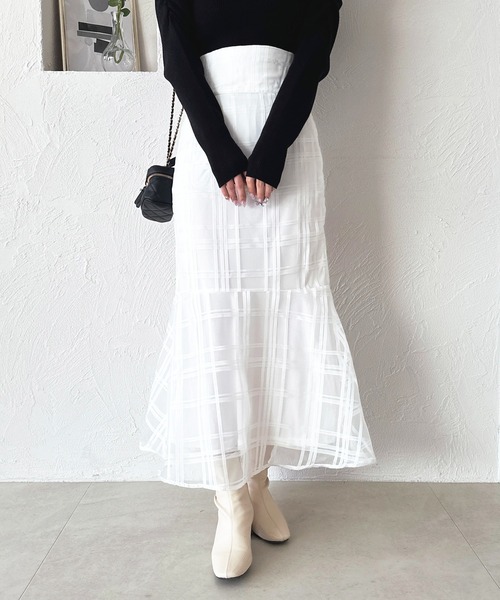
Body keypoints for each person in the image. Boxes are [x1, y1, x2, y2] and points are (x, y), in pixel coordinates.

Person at [139, 0, 377, 579]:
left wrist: (271, 154)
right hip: (209, 153)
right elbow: (178, 62)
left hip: (286, 151)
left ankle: (259, 481)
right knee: (217, 319)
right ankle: (231, 500)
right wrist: (224, 157)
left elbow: (313, 55)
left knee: (277, 316)